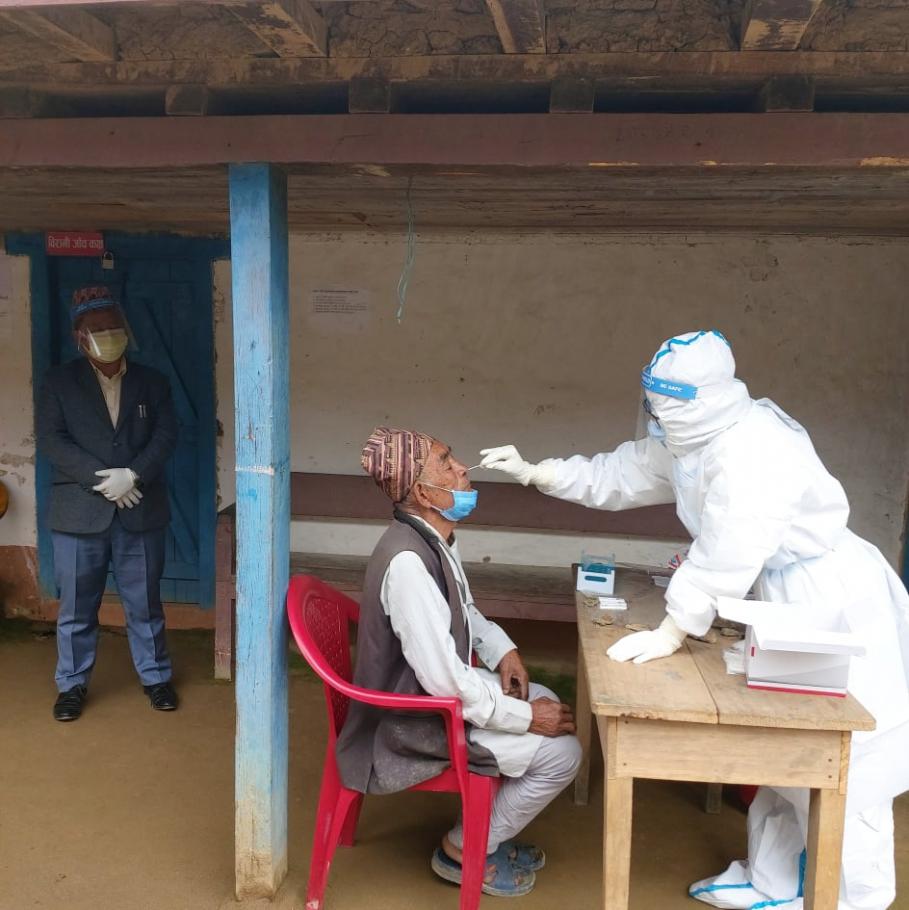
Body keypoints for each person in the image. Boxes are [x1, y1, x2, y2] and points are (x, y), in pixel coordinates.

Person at [480, 330, 909, 910]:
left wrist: (674, 627)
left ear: (699, 399)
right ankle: (772, 881)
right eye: (651, 400)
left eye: (663, 402)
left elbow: (728, 550)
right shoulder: (692, 437)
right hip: (780, 596)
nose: (654, 414)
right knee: (783, 748)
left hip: (829, 599)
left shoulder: (754, 446)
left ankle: (854, 901)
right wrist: (541, 472)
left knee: (847, 763)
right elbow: (621, 473)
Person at [336, 426, 581, 898]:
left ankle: (486, 831)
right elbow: (445, 683)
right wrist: (526, 719)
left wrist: (502, 650)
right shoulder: (408, 564)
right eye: (446, 463)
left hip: (430, 699)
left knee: (546, 700)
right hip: (411, 722)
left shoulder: (434, 538)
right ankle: (463, 848)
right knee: (563, 753)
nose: (463, 468)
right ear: (424, 494)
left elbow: (463, 609)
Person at [36, 285, 179, 722]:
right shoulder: (59, 383)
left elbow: (166, 435)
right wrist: (104, 480)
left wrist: (133, 475)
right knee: (76, 608)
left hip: (140, 508)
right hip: (79, 513)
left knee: (145, 603)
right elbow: (52, 440)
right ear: (79, 337)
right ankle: (71, 684)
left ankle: (156, 678)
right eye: (96, 329)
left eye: (113, 326)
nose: (108, 334)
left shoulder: (152, 381)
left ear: (125, 330)